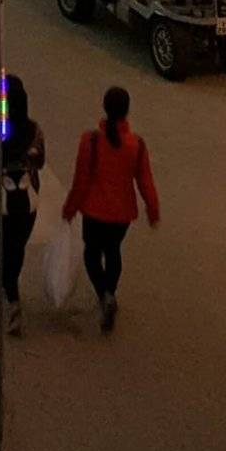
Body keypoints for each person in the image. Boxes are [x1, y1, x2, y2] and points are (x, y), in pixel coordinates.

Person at [62, 85, 160, 332]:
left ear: (104, 108)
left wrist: (70, 208)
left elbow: (81, 180)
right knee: (113, 251)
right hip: (122, 215)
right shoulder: (136, 144)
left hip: (94, 212)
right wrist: (153, 210)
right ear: (127, 111)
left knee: (92, 254)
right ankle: (110, 293)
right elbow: (145, 181)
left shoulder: (91, 141)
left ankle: (104, 293)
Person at [0, 76, 45, 333]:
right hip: (27, 203)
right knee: (16, 247)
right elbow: (41, 162)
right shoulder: (34, 130)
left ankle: (12, 296)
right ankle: (11, 286)